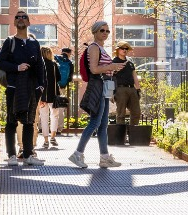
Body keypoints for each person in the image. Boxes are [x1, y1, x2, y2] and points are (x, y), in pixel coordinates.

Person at [0, 11, 45, 167]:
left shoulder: (34, 43)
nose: (21, 19)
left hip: (31, 88)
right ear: (14, 23)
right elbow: (1, 62)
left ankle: (28, 155)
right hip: (14, 86)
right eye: (17, 17)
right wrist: (17, 67)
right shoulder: (9, 41)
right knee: (11, 121)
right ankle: (11, 155)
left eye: (24, 17)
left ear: (28, 22)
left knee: (29, 121)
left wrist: (41, 85)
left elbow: (40, 66)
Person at [68, 21, 122, 169]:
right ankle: (77, 154)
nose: (105, 33)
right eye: (102, 30)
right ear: (95, 32)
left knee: (103, 125)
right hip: (97, 87)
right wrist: (111, 66)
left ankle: (104, 157)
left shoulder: (101, 48)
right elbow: (94, 69)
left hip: (104, 87)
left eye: (107, 31)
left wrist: (112, 69)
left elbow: (103, 69)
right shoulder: (94, 47)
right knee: (95, 123)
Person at [112, 42, 142, 145]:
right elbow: (110, 77)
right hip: (120, 89)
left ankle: (132, 135)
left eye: (126, 49)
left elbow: (135, 77)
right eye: (122, 48)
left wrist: (138, 89)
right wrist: (111, 92)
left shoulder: (130, 63)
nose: (124, 50)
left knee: (136, 112)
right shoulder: (114, 62)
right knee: (121, 113)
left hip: (132, 89)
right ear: (117, 50)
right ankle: (121, 137)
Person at [36, 46, 63, 149]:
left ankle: (46, 140)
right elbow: (59, 78)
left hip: (42, 95)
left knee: (44, 117)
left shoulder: (39, 65)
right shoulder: (54, 64)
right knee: (54, 116)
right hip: (53, 95)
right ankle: (53, 137)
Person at [54, 46, 74, 134]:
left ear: (62, 52)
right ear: (69, 53)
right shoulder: (70, 63)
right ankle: (59, 128)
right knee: (60, 107)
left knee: (47, 106)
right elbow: (70, 78)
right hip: (62, 87)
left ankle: (42, 127)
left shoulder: (55, 58)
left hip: (52, 86)